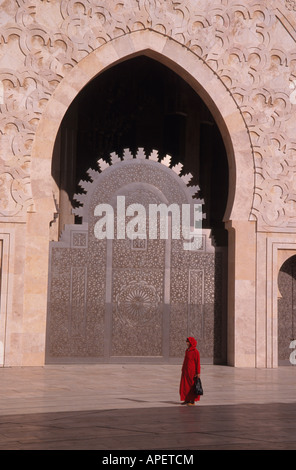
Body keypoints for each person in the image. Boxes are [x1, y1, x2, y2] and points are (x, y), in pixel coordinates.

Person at [179, 337, 201, 406]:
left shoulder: (195, 351)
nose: (186, 343)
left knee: (191, 386)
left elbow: (197, 362)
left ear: (191, 342)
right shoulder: (187, 350)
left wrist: (198, 372)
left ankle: (192, 401)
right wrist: (183, 369)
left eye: (187, 341)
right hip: (185, 371)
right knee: (185, 386)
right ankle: (186, 399)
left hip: (192, 372)